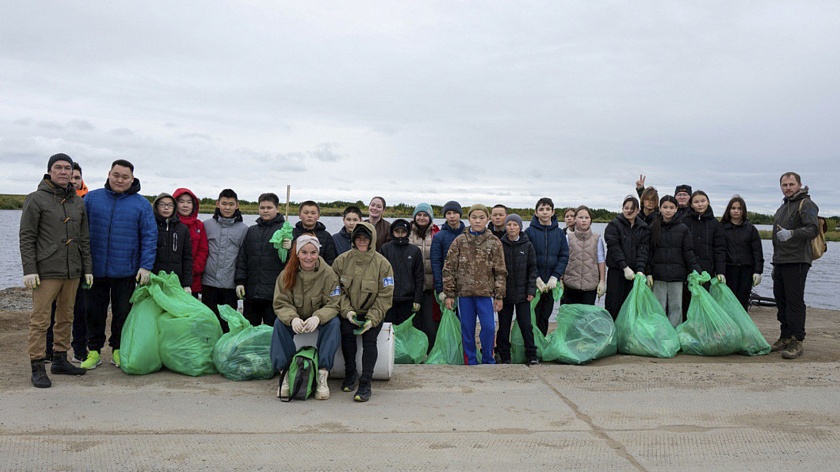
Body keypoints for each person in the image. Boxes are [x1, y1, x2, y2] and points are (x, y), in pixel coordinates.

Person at [19, 153, 92, 387]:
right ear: (50, 171)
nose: (63, 171)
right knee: (40, 320)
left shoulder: (78, 202)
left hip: (73, 270)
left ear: (72, 173)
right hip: (46, 270)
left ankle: (61, 358)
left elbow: (84, 238)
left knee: (66, 316)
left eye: (67, 168)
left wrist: (87, 268)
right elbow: (27, 237)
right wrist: (29, 269)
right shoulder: (36, 199)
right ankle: (38, 366)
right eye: (58, 167)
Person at [82, 159, 156, 369]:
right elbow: (80, 232)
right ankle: (94, 351)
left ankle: (118, 350)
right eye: (116, 175)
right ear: (109, 174)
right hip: (95, 271)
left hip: (126, 270)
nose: (120, 180)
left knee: (122, 313)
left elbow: (149, 236)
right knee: (93, 312)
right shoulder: (92, 198)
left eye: (125, 177)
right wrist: (83, 266)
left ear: (132, 179)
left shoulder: (141, 204)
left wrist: (145, 266)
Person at [271, 236, 342, 400]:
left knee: (334, 323)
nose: (308, 257)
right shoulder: (286, 274)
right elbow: (281, 303)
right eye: (304, 252)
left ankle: (322, 375)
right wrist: (292, 319)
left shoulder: (329, 274)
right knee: (279, 324)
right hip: (297, 317)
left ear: (318, 252)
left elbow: (334, 303)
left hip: (318, 318)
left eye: (313, 252)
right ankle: (286, 373)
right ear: (297, 253)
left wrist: (318, 317)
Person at [332, 222, 394, 402]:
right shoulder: (341, 261)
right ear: (353, 239)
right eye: (358, 238)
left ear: (372, 240)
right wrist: (347, 312)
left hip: (372, 312)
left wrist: (372, 319)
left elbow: (385, 296)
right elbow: (335, 290)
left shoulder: (383, 264)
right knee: (346, 333)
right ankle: (350, 374)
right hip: (349, 312)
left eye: (365, 238)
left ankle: (366, 382)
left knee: (370, 339)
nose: (361, 241)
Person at [442, 204, 507, 365]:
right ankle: (470, 360)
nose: (478, 221)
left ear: (488, 219)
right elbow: (449, 268)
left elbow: (500, 271)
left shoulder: (494, 242)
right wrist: (449, 294)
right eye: (474, 217)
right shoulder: (459, 241)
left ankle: (487, 359)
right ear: (469, 219)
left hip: (486, 295)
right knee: (467, 330)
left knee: (489, 328)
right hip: (464, 295)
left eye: (481, 217)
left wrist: (499, 296)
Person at [771, 172, 820, 359]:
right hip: (781, 261)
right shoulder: (784, 206)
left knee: (794, 301)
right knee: (781, 300)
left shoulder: (806, 204)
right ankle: (784, 336)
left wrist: (792, 233)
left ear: (799, 184)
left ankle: (797, 340)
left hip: (798, 261)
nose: (788, 188)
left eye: (791, 184)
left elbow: (813, 229)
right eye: (784, 185)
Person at [46, 162, 89, 363]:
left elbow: (87, 237)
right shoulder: (47, 200)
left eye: (77, 177)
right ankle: (48, 351)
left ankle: (80, 351)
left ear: (81, 180)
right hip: (53, 266)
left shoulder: (86, 202)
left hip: (79, 267)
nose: (73, 180)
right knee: (51, 311)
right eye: (71, 177)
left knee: (79, 311)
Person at [647, 196, 701, 328]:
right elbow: (648, 252)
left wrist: (697, 271)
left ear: (676, 209)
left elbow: (688, 252)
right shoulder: (653, 226)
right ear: (660, 208)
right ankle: (659, 334)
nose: (668, 210)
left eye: (671, 207)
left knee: (676, 306)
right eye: (665, 207)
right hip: (658, 275)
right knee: (658, 307)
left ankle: (674, 334)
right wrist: (648, 272)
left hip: (677, 275)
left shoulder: (683, 228)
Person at [235, 193, 287, 327]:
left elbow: (291, 263)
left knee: (272, 330)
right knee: (250, 330)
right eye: (262, 207)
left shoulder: (285, 231)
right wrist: (240, 281)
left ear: (277, 208)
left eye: (269, 207)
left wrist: (290, 248)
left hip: (274, 294)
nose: (265, 210)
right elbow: (242, 258)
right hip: (252, 292)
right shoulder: (251, 231)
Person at [201, 189, 249, 332]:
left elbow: (243, 257)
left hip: (230, 285)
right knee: (208, 321)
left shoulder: (244, 229)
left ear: (237, 205)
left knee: (227, 324)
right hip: (208, 283)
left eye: (231, 204)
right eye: (224, 203)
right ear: (217, 204)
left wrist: (241, 282)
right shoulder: (206, 225)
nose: (227, 208)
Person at [496, 213, 537, 364]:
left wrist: (531, 290)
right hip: (505, 294)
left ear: (520, 226)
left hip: (523, 294)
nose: (512, 227)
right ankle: (504, 355)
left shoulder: (527, 245)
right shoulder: (500, 245)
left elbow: (532, 270)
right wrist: (498, 293)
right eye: (509, 224)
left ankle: (532, 355)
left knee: (526, 325)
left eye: (515, 224)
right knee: (504, 326)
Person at [524, 198, 569, 336]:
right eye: (541, 209)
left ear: (553, 212)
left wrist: (555, 276)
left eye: (548, 209)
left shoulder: (560, 233)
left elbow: (564, 256)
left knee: (545, 314)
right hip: (534, 282)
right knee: (532, 314)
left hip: (550, 283)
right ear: (536, 213)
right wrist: (535, 277)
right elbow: (526, 257)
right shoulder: (529, 232)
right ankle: (531, 346)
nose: (545, 212)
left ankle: (541, 343)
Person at [604, 195, 650, 320]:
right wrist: (624, 267)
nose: (629, 211)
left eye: (632, 209)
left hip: (634, 274)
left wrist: (640, 270)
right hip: (617, 271)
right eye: (626, 208)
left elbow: (643, 250)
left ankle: (628, 336)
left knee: (631, 307)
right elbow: (614, 248)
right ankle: (612, 335)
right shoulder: (613, 225)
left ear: (638, 210)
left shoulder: (643, 228)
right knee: (613, 304)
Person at [721, 195, 764, 310]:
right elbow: (718, 251)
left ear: (743, 210)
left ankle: (742, 327)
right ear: (729, 210)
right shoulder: (722, 228)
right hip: (729, 270)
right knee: (728, 302)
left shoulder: (751, 229)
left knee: (742, 301)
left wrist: (758, 271)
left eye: (739, 208)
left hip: (746, 270)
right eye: (733, 208)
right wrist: (719, 271)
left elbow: (757, 251)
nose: (736, 211)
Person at [408, 203, 440, 349]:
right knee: (413, 322)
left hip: (429, 286)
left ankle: (430, 351)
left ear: (430, 217)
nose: (422, 218)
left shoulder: (436, 233)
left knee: (430, 323)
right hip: (411, 287)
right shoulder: (407, 232)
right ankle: (414, 352)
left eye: (425, 215)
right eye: (419, 215)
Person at [381, 219, 423, 325]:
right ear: (392, 232)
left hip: (408, 299)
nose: (400, 234)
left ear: (407, 233)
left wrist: (417, 300)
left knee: (406, 331)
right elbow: (380, 275)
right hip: (389, 299)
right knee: (389, 331)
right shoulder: (385, 248)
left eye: (403, 232)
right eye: (397, 231)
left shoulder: (415, 251)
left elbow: (419, 277)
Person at [563, 206, 606, 305]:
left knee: (586, 317)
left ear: (590, 220)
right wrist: (560, 279)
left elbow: (601, 260)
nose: (584, 220)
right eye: (580, 217)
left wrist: (602, 281)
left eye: (586, 218)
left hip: (590, 286)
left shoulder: (597, 238)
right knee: (570, 316)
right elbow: (564, 259)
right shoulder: (568, 238)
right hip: (570, 284)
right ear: (575, 219)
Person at [152, 193, 193, 290]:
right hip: (154, 278)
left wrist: (187, 284)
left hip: (176, 280)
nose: (166, 208)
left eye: (170, 205)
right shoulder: (150, 226)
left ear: (174, 207)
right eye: (162, 204)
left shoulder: (183, 229)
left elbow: (187, 258)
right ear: (156, 206)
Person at [173, 188, 208, 298]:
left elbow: (203, 250)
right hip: (171, 278)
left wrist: (192, 269)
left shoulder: (199, 225)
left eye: (189, 202)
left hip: (193, 280)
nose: (185, 205)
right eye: (181, 202)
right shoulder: (169, 224)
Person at [431, 201, 466, 306]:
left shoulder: (468, 234)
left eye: (455, 213)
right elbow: (436, 263)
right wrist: (440, 289)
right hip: (447, 286)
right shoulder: (439, 236)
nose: (452, 216)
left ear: (460, 214)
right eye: (448, 213)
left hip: (466, 286)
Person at [292, 200, 337, 265]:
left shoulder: (326, 236)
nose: (309, 216)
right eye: (306, 213)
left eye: (313, 213)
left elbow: (330, 260)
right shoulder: (291, 233)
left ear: (318, 216)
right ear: (299, 215)